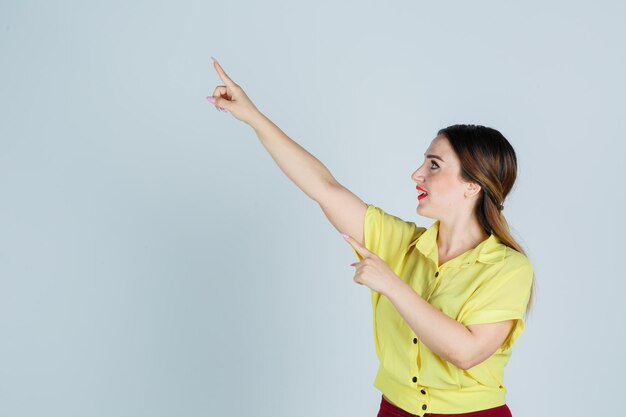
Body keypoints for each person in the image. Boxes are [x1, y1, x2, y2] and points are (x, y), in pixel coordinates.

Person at [207, 57, 535, 417]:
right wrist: (253, 116)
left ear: (473, 185)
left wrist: (392, 285)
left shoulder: (509, 268)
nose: (416, 174)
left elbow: (466, 352)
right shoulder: (400, 242)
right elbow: (324, 187)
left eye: (434, 165)